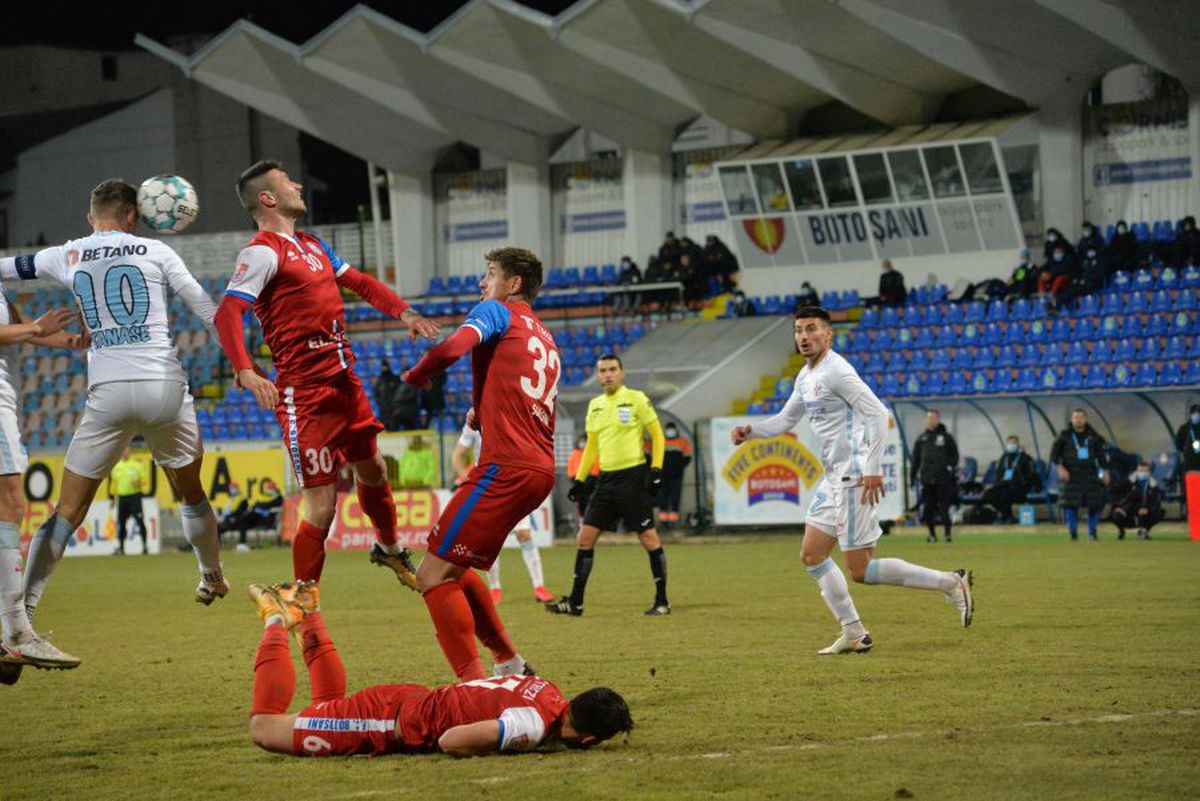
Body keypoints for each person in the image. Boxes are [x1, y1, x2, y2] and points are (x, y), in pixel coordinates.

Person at [0, 178, 231, 675]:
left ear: (92, 217)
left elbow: (7, 268)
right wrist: (241, 361)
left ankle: (24, 620)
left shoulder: (69, 253)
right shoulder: (157, 249)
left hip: (106, 392)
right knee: (190, 493)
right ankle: (210, 574)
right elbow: (205, 307)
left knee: (66, 510)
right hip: (162, 388)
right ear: (133, 215)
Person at [213, 160, 438, 592]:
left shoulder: (313, 245)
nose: (298, 184)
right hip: (305, 394)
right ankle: (302, 597)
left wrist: (403, 311)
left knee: (373, 469)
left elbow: (360, 282)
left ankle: (389, 548)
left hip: (344, 382)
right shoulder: (261, 253)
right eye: (286, 182)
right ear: (268, 198)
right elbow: (228, 313)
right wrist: (244, 369)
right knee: (322, 503)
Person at [730, 307, 973, 655]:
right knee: (812, 555)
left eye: (811, 329)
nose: (803, 336)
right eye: (798, 330)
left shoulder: (837, 371)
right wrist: (751, 432)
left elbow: (877, 413)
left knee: (859, 569)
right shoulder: (805, 376)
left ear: (828, 334)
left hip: (855, 477)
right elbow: (786, 420)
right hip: (833, 480)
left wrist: (872, 468)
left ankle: (951, 583)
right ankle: (854, 632)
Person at [245, 580, 632, 757]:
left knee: (328, 706)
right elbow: (452, 741)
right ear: (588, 740)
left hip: (408, 703)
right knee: (264, 728)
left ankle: (308, 612)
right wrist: (498, 746)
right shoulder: (531, 726)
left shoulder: (546, 689)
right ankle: (275, 620)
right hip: (388, 721)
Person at [401, 247, 558, 681]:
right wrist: (482, 411)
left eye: (490, 274)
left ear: (514, 285)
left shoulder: (496, 311)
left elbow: (454, 345)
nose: (481, 283)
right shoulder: (543, 335)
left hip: (505, 467)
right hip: (537, 470)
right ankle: (509, 663)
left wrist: (420, 373)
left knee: (431, 577)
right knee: (454, 563)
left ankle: (475, 686)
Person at [0, 295, 85, 680]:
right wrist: (35, 327)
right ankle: (17, 632)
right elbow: (29, 330)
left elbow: (27, 335)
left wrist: (76, 341)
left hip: (8, 405)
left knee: (8, 507)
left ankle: (12, 634)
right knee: (11, 504)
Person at [548, 353, 669, 617]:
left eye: (612, 369)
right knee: (585, 538)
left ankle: (662, 601)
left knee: (649, 539)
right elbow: (591, 446)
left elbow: (658, 435)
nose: (608, 374)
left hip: (633, 478)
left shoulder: (637, 399)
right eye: (602, 370)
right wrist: (580, 480)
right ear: (598, 374)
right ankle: (576, 603)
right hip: (606, 482)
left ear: (622, 372)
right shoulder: (595, 405)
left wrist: (656, 469)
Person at [451, 420, 554, 604]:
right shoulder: (475, 418)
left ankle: (539, 586)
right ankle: (495, 588)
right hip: (488, 488)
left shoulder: (511, 412)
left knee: (524, 534)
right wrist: (469, 481)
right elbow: (457, 456)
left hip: (514, 484)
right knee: (490, 540)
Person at [1049, 409, 1110, 541]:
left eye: (1081, 417)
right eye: (1076, 417)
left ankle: (1092, 533)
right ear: (1072, 419)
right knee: (1070, 505)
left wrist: (1105, 471)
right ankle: (1073, 533)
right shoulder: (1064, 436)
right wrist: (1060, 468)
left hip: (1090, 475)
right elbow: (1054, 455)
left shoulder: (1093, 436)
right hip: (1071, 475)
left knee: (1095, 504)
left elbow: (1101, 456)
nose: (1078, 419)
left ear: (1085, 419)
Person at [910, 410, 959, 543]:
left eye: (933, 417)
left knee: (944, 507)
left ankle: (947, 535)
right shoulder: (922, 439)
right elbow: (916, 459)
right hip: (927, 479)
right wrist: (912, 476)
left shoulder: (946, 437)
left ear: (938, 419)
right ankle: (932, 535)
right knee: (928, 509)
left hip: (943, 479)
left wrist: (950, 468)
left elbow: (955, 455)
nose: (931, 420)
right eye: (929, 418)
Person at [980, 435, 1039, 524]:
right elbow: (999, 474)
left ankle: (1006, 517)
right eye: (1009, 443)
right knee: (988, 495)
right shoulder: (1004, 458)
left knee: (1004, 495)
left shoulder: (1025, 458)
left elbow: (1031, 475)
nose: (1011, 445)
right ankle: (1007, 515)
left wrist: (1021, 482)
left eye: (1014, 443)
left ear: (1018, 445)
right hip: (1003, 485)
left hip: (1019, 486)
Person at [109, 446, 150, 555]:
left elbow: (146, 480)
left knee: (140, 521)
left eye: (125, 450)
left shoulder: (137, 465)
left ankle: (145, 547)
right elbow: (114, 484)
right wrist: (113, 498)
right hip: (122, 498)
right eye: (122, 451)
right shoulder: (117, 467)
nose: (124, 453)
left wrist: (139, 483)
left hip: (135, 497)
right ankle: (121, 548)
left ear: (130, 451)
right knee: (121, 524)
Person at [1110, 462, 1163, 541]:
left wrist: (1147, 509)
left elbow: (1155, 501)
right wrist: (1119, 507)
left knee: (1160, 512)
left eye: (1145, 471)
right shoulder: (1131, 482)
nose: (1142, 473)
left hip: (1144, 514)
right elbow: (1115, 489)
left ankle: (1144, 531)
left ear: (1149, 473)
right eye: (1140, 471)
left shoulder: (1153, 485)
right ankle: (1121, 531)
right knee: (1114, 514)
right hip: (1129, 511)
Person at [657, 421, 693, 528]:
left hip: (677, 476)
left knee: (675, 498)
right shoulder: (660, 441)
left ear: (675, 430)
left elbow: (688, 457)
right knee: (662, 498)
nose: (670, 431)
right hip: (662, 475)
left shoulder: (682, 441)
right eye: (669, 429)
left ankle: (673, 523)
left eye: (672, 429)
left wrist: (679, 468)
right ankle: (663, 523)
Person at [566, 433, 600, 520]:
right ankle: (582, 519)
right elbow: (571, 468)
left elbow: (597, 466)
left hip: (593, 479)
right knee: (582, 499)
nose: (582, 443)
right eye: (581, 441)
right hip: (580, 480)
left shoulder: (594, 452)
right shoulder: (575, 453)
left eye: (584, 441)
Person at [373, 361, 402, 432]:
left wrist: (397, 406)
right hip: (384, 411)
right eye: (383, 366)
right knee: (385, 431)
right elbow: (376, 394)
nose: (384, 368)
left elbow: (400, 393)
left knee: (395, 430)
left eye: (386, 366)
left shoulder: (395, 379)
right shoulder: (379, 381)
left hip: (394, 411)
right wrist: (380, 404)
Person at [1175, 403, 1200, 477]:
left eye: (1198, 413)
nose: (1197, 415)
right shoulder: (1184, 428)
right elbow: (1178, 444)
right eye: (1195, 413)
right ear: (1191, 414)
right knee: (1189, 482)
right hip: (1189, 460)